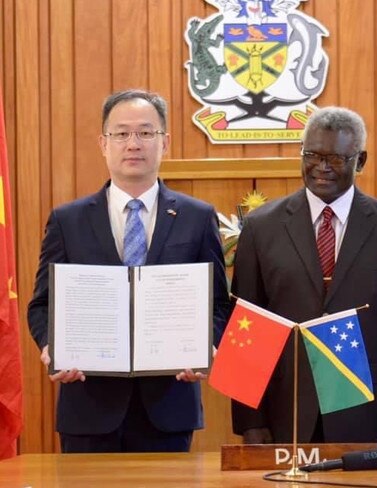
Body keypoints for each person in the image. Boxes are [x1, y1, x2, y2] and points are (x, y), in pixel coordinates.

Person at [27, 89, 230, 453]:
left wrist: (206, 347)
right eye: (121, 134)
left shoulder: (197, 217)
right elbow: (41, 305)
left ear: (165, 142)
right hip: (88, 405)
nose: (133, 144)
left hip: (169, 407)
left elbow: (218, 304)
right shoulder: (67, 220)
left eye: (145, 133)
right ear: (103, 143)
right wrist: (51, 347)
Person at [230, 106, 377, 448]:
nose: (322, 167)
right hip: (285, 412)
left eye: (336, 158)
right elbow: (247, 328)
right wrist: (250, 422)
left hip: (368, 414)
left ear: (360, 160)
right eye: (312, 155)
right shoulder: (261, 227)